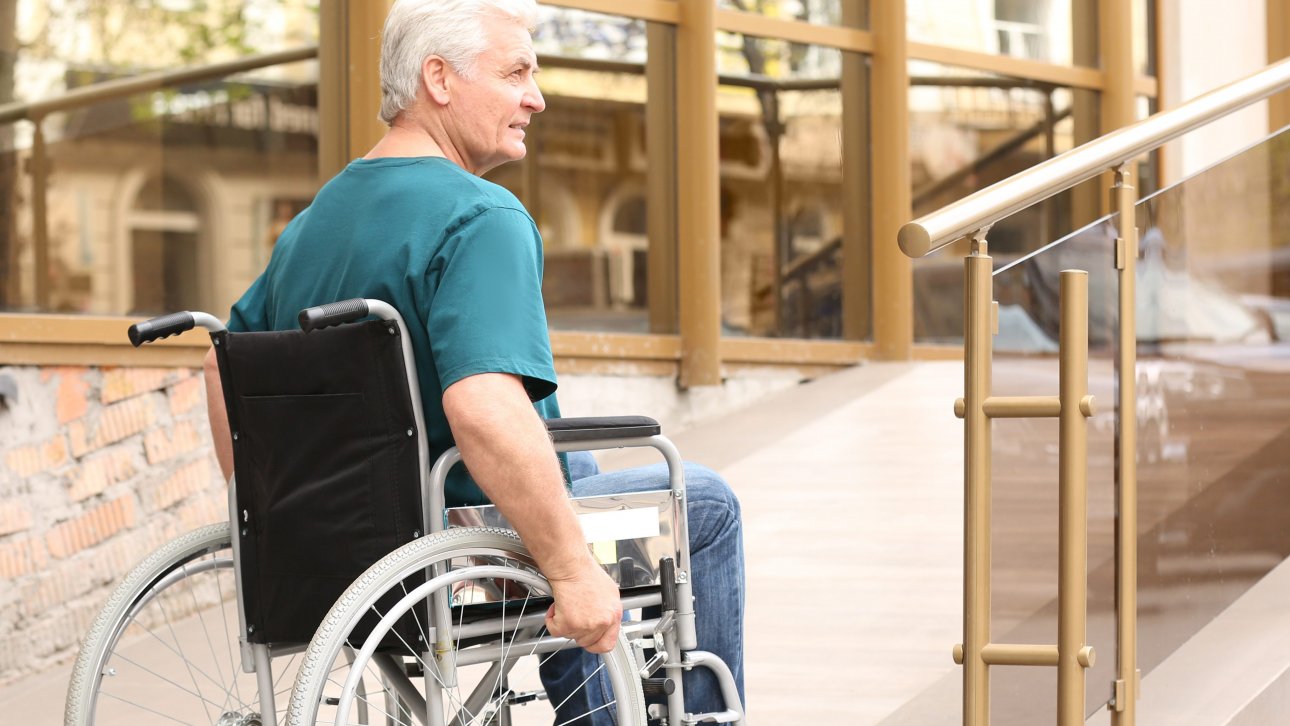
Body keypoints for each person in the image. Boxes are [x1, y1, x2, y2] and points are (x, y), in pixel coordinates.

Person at [202, 0, 744, 720]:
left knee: (571, 465)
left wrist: (275, 510)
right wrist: (574, 572)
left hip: (347, 544)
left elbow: (220, 365)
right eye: (517, 71)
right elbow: (483, 410)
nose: (537, 97)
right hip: (458, 531)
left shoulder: (316, 222)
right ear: (440, 79)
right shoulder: (479, 215)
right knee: (703, 503)